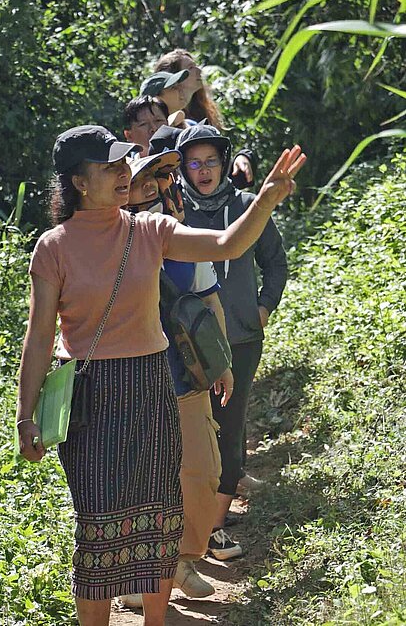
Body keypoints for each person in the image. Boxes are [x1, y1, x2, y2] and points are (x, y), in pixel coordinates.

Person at [16, 124, 305, 626]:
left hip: (152, 386)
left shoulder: (149, 230)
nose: (123, 173)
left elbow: (225, 244)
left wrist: (265, 200)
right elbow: (40, 336)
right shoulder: (53, 246)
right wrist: (26, 415)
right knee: (97, 527)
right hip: (89, 396)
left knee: (158, 517)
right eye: (109, 167)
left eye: (122, 163)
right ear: (80, 182)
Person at [119, 152, 236, 609]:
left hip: (185, 374)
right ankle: (137, 574)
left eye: (161, 176)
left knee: (203, 471)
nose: (153, 185)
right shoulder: (107, 240)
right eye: (143, 177)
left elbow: (209, 303)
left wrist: (221, 362)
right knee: (136, 478)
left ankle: (183, 560)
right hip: (128, 380)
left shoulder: (181, 236)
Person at [176, 123, 289, 550]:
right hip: (187, 342)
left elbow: (276, 264)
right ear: (183, 167)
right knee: (190, 432)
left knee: (230, 426)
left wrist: (262, 307)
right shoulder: (174, 212)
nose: (203, 171)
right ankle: (189, 523)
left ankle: (212, 527)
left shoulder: (248, 205)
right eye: (194, 162)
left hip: (240, 337)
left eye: (211, 162)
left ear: (224, 164)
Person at [154, 49, 256, 188]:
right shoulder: (152, 123)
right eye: (190, 68)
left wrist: (243, 157)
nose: (199, 71)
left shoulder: (196, 120)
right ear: (174, 80)